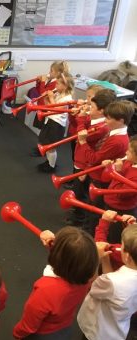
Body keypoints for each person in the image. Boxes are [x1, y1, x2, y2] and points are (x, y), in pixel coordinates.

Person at [13, 227, 99, 340]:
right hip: (63, 329)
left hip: (41, 338)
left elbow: (29, 324)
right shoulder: (85, 279)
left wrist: (17, 334)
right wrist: (54, 246)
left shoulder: (45, 290)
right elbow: (72, 262)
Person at [78, 100, 133, 235]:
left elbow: (94, 158)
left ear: (120, 120)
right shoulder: (113, 133)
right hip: (98, 174)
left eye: (108, 118)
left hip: (101, 179)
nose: (105, 121)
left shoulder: (118, 140)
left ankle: (89, 234)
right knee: (92, 207)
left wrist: (83, 141)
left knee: (95, 210)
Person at [78, 224, 137, 340]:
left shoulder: (112, 282)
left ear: (127, 255)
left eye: (122, 246)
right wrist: (105, 260)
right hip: (118, 331)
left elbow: (92, 285)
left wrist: (96, 259)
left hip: (99, 334)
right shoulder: (115, 280)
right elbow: (109, 280)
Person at [66, 89, 116, 227]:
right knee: (78, 190)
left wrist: (81, 118)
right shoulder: (92, 119)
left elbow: (82, 135)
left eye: (92, 105)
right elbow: (76, 127)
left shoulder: (102, 127)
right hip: (80, 159)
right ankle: (77, 210)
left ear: (101, 111)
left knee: (82, 192)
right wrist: (74, 115)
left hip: (85, 162)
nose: (88, 104)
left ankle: (80, 216)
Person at [36, 73, 75, 173]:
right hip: (50, 121)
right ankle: (48, 161)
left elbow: (57, 109)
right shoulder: (58, 93)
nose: (55, 86)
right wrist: (45, 98)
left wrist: (51, 98)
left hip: (56, 126)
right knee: (46, 144)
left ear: (65, 86)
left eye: (58, 84)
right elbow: (49, 106)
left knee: (51, 148)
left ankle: (51, 166)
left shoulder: (68, 99)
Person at [27, 61, 70, 136]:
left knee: (45, 129)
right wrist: (39, 82)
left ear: (58, 73)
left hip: (46, 108)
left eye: (51, 71)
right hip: (41, 106)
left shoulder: (56, 83)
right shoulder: (50, 80)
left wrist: (43, 81)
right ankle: (41, 144)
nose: (49, 72)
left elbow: (43, 93)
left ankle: (43, 145)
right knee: (41, 129)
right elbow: (38, 90)